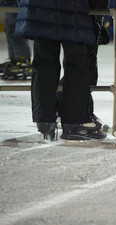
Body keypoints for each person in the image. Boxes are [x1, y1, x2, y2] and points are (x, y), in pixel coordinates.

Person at [15, 0, 106, 141]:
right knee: (77, 63)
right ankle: (74, 121)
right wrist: (98, 10)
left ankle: (45, 120)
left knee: (44, 61)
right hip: (73, 10)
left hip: (38, 8)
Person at [0, 0, 31, 80]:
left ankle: (23, 60)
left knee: (16, 31)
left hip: (17, 3)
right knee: (9, 30)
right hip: (11, 4)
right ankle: (14, 58)